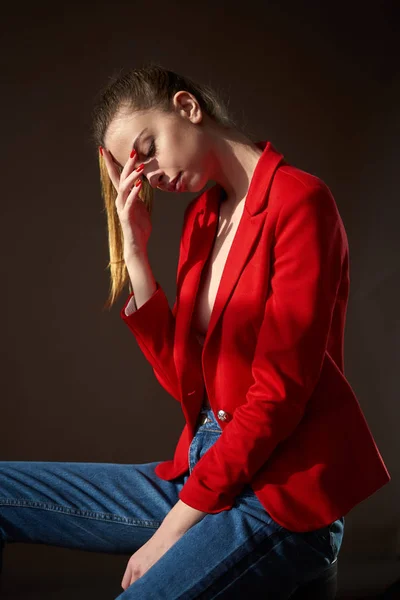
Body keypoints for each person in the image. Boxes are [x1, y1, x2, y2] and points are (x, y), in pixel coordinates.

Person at [0, 62, 391, 599]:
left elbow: (279, 396)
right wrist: (135, 251)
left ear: (187, 108)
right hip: (204, 470)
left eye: (147, 147)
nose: (150, 173)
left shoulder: (300, 202)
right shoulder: (202, 220)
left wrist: (171, 530)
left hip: (275, 494)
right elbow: (184, 379)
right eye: (135, 166)